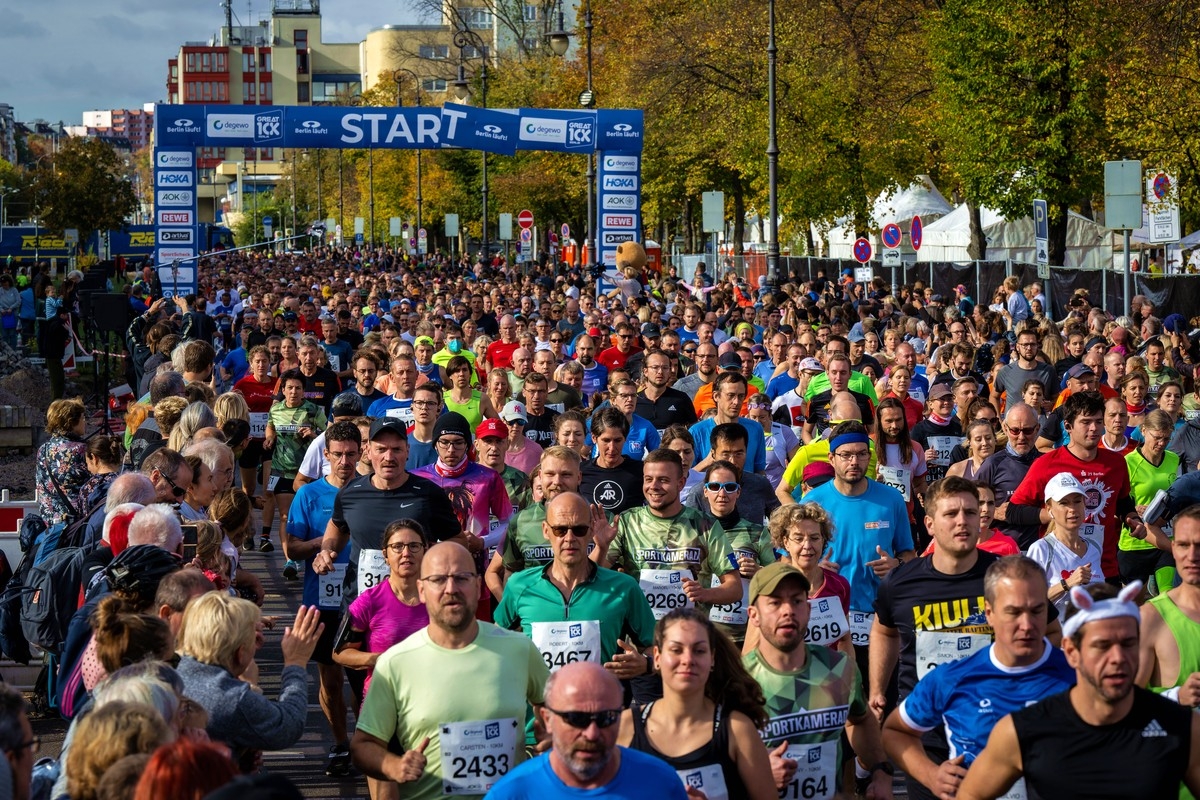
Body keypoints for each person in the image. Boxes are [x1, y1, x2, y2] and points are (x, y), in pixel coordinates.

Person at [957, 581, 1200, 800]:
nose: (1118, 658)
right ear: (1072, 652)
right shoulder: (1024, 729)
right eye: (1102, 646)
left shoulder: (1183, 726)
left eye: (1128, 644)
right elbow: (970, 794)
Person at [349, 541, 550, 799]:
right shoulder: (395, 662)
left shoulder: (519, 648)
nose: (451, 589)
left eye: (461, 578)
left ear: (479, 587)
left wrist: (551, 735)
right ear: (422, 590)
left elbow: (557, 710)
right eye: (438, 579)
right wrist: (394, 766)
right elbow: (362, 746)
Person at [883, 556, 1075, 800]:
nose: (1027, 624)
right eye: (1013, 612)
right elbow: (895, 732)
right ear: (989, 613)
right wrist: (932, 775)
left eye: (1036, 610)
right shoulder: (952, 678)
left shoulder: (1078, 676)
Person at [743, 563, 894, 800]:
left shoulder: (840, 667)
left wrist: (880, 771)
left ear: (809, 610)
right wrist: (757, 774)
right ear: (754, 615)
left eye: (797, 601)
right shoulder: (736, 681)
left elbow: (860, 720)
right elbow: (713, 759)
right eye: (774, 602)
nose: (788, 611)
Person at [495, 491, 656, 687]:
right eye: (560, 530)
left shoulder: (624, 588)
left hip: (602, 712)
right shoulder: (519, 585)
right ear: (546, 531)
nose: (569, 538)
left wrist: (647, 664)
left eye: (579, 529)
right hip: (540, 715)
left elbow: (654, 649)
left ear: (591, 531)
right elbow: (495, 644)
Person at [615, 608, 776, 799]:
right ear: (657, 657)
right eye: (676, 650)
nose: (688, 660)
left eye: (699, 651)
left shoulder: (737, 730)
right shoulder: (624, 728)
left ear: (712, 658)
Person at [313, 417, 463, 617]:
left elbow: (459, 541)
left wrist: (423, 552)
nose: (389, 457)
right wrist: (326, 550)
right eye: (381, 449)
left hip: (413, 608)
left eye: (396, 449)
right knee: (346, 650)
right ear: (368, 451)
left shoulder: (428, 493)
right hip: (359, 605)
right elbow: (337, 525)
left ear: (407, 451)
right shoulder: (350, 492)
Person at [281, 420, 361, 776]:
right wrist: (326, 546)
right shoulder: (308, 495)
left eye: (351, 454)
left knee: (366, 679)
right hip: (322, 599)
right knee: (330, 680)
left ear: (362, 454)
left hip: (363, 599)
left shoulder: (369, 491)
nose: (345, 461)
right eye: (338, 455)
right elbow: (292, 547)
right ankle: (341, 743)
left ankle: (367, 742)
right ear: (325, 455)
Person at [486, 662, 688, 798]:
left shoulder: (662, 783)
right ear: (547, 720)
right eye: (576, 719)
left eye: (606, 718)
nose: (592, 734)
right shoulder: (511, 792)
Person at [334, 519, 431, 800]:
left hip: (429, 708)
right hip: (381, 711)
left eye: (414, 546)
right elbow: (339, 652)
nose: (406, 553)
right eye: (397, 546)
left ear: (425, 550)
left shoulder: (439, 597)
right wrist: (380, 659)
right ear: (385, 554)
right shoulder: (369, 601)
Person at [800, 421, 913, 651]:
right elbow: (786, 561)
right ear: (832, 459)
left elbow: (909, 554)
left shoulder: (891, 499)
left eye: (861, 454)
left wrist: (896, 564)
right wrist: (811, 566)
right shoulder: (812, 503)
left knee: (878, 687)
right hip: (824, 616)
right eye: (846, 455)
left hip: (878, 614)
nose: (854, 461)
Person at [176, 595, 324, 771]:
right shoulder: (232, 698)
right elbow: (287, 726)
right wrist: (296, 663)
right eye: (252, 641)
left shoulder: (170, 674)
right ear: (240, 653)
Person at [1009, 390, 1142, 583]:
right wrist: (1055, 515)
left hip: (1105, 567)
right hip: (1060, 570)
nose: (1094, 428)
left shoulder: (1116, 463)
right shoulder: (1046, 464)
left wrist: (1132, 518)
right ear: (1068, 426)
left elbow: (1122, 500)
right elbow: (1014, 511)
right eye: (1086, 422)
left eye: (1098, 421)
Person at [579, 407, 645, 515]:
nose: (612, 447)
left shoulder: (640, 471)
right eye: (606, 440)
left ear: (625, 438)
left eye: (617, 440)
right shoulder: (581, 471)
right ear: (594, 438)